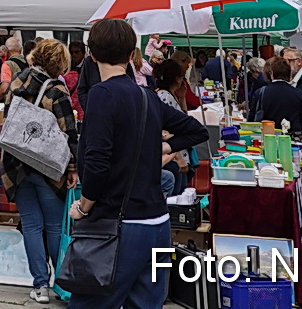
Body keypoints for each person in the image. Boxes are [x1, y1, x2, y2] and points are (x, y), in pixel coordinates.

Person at [68, 18, 206, 309]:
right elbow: (197, 131)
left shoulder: (101, 96)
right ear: (133, 53)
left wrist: (83, 206)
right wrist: (164, 146)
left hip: (118, 224)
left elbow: (96, 160)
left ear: (92, 54)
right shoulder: (146, 96)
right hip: (157, 221)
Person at [1, 39, 76, 304]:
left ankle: (40, 285)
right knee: (55, 227)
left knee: (32, 225)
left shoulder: (18, 81)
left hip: (16, 163)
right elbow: (69, 132)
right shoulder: (57, 90)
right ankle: (62, 284)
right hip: (47, 167)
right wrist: (73, 168)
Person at [250, 55, 302, 151]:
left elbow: (251, 119)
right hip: (293, 144)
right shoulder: (298, 94)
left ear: (272, 73)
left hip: (267, 142)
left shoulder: (260, 93)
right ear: (289, 74)